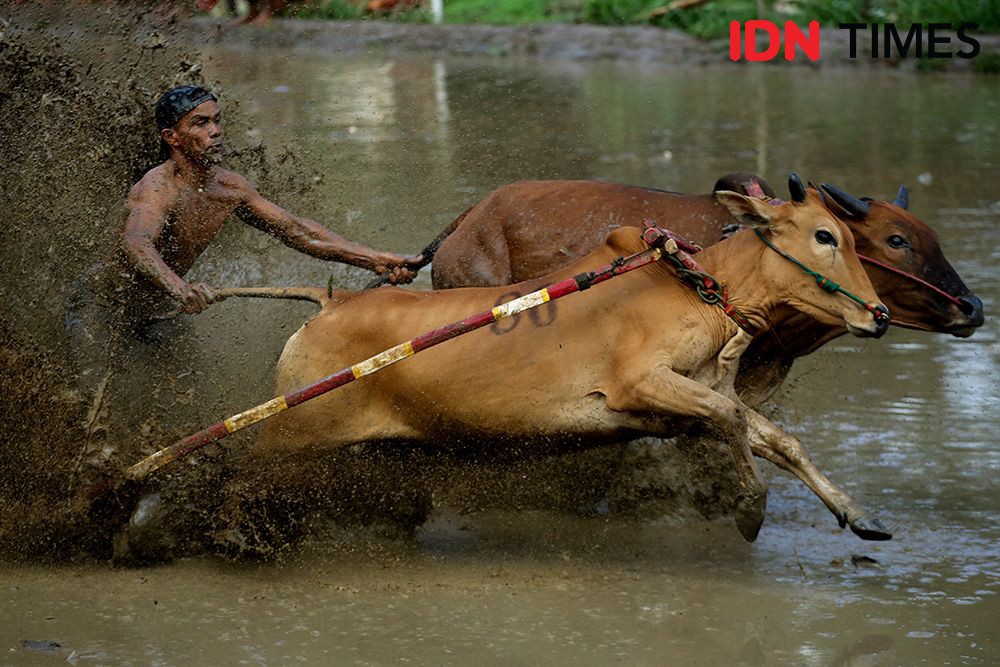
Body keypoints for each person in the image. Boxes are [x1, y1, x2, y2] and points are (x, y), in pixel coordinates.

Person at [64, 85, 421, 479]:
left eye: (217, 120)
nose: (215, 131)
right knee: (94, 408)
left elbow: (300, 232)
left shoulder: (228, 188)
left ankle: (179, 483)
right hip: (104, 307)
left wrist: (379, 261)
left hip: (160, 313)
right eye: (201, 123)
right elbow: (136, 244)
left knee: (189, 403)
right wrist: (180, 289)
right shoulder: (156, 188)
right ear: (172, 137)